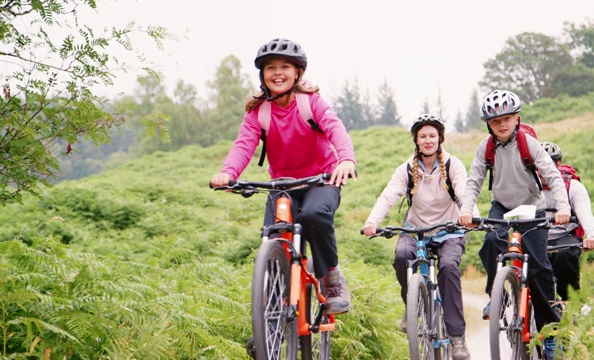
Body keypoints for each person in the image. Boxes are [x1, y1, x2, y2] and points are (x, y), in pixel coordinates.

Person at [210, 38, 357, 315]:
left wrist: (346, 159)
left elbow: (335, 128)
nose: (277, 72)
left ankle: (332, 279)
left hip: (321, 181)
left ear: (297, 72)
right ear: (262, 75)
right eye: (270, 68)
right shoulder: (259, 112)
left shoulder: (311, 103)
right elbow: (244, 144)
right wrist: (228, 173)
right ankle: (269, 321)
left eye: (285, 66)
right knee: (273, 239)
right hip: (283, 185)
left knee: (313, 216)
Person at [458, 89, 571, 360]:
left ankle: (551, 334)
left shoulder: (528, 143)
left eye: (507, 118)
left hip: (533, 207)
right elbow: (473, 181)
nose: (502, 124)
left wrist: (563, 207)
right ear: (489, 125)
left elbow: (553, 176)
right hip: (503, 207)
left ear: (517, 118)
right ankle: (496, 296)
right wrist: (465, 210)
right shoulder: (485, 147)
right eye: (496, 121)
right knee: (490, 243)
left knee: (539, 270)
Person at [362, 114, 472, 360]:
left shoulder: (453, 165)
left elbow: (464, 191)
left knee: (448, 268)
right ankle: (411, 308)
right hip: (415, 229)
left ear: (440, 138)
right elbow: (389, 195)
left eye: (432, 135)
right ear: (416, 140)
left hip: (449, 230)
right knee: (402, 256)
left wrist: (469, 214)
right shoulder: (406, 169)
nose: (428, 140)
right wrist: (372, 221)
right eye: (423, 136)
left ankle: (457, 338)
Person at [540, 142, 594, 301]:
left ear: (558, 164)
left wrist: (592, 235)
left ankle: (570, 303)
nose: (542, 171)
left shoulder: (573, 186)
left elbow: (584, 212)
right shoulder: (527, 186)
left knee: (565, 256)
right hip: (537, 234)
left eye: (547, 165)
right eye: (537, 165)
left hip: (564, 235)